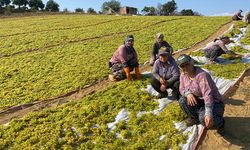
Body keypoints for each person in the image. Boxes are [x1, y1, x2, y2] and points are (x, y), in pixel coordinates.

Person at [176, 54, 225, 130]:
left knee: (204, 119)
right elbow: (181, 89)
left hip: (214, 102)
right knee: (182, 100)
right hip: (200, 101)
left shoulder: (202, 75)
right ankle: (194, 117)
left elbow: (208, 95)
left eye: (187, 64)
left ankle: (220, 123)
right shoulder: (183, 75)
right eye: (182, 66)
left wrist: (208, 113)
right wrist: (188, 94)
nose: (185, 67)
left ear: (192, 62)